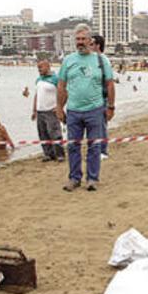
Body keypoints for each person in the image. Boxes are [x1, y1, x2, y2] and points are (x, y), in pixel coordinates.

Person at [57, 24, 115, 192]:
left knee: (94, 146)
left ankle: (92, 179)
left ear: (90, 41)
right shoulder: (68, 61)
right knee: (73, 146)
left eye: (83, 39)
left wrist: (111, 107)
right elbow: (61, 86)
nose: (80, 42)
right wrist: (59, 108)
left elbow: (110, 84)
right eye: (78, 39)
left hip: (95, 110)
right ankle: (74, 179)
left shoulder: (101, 60)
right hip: (74, 111)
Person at [32, 60, 64, 162]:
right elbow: (37, 95)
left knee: (54, 133)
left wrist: (60, 107)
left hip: (51, 110)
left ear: (47, 66)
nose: (39, 70)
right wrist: (34, 110)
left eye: (41, 67)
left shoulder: (56, 79)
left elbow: (63, 92)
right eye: (38, 68)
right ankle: (48, 154)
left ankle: (60, 154)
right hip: (40, 111)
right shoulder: (38, 80)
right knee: (43, 133)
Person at [91, 34, 111, 160]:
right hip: (94, 97)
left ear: (98, 45)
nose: (89, 46)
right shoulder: (93, 59)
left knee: (101, 125)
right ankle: (98, 149)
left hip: (101, 97)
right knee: (96, 125)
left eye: (92, 44)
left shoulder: (102, 60)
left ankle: (103, 150)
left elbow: (108, 81)